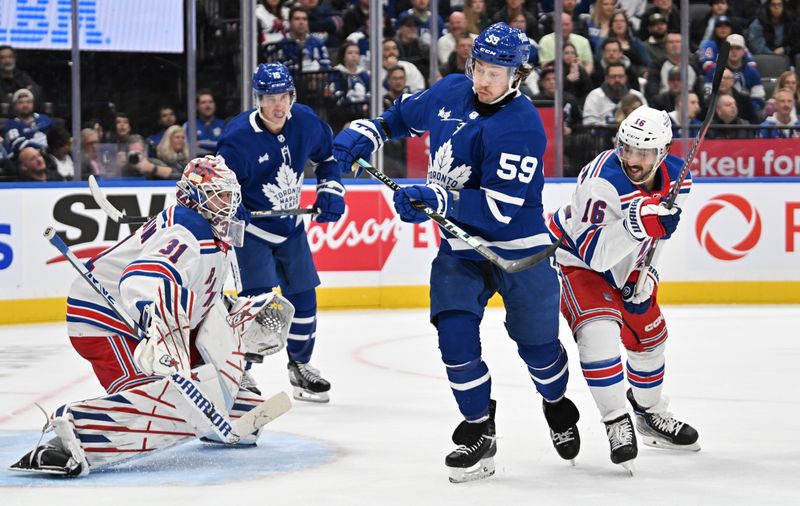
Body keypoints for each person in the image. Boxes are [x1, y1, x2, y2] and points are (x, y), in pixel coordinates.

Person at [332, 22, 581, 483]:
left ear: (517, 76)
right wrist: (366, 132)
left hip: (518, 254)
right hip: (460, 249)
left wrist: (435, 198)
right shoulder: (450, 92)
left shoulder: (521, 125)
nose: (485, 80)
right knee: (454, 339)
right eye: (480, 68)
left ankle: (556, 402)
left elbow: (500, 211)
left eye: (496, 72)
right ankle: (478, 426)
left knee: (539, 352)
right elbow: (400, 118)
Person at [9, 156, 294, 476]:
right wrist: (155, 322)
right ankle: (70, 437)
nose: (228, 201)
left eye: (229, 194)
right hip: (106, 320)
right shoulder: (185, 232)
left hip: (157, 314)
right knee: (162, 402)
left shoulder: (212, 229)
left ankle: (225, 404)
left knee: (202, 363)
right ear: (196, 196)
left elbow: (198, 290)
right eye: (219, 194)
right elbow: (142, 278)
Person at [547, 105, 700, 471]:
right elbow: (595, 254)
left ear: (662, 153)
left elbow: (659, 235)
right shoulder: (602, 180)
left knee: (651, 341)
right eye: (627, 148)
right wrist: (639, 221)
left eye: (644, 152)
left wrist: (648, 272)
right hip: (579, 262)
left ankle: (650, 415)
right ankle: (616, 419)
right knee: (598, 337)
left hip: (630, 265)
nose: (632, 159)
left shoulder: (679, 178)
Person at [216, 63, 344, 404]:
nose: (277, 105)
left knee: (304, 298)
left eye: (283, 96)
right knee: (256, 306)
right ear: (258, 99)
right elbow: (221, 185)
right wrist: (232, 203)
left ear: (292, 96)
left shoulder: (305, 121)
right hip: (254, 232)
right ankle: (240, 370)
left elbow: (328, 159)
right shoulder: (237, 138)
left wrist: (331, 189)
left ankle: (300, 366)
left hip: (290, 228)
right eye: (269, 97)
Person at [3, 88, 52, 153]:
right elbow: (17, 143)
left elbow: (56, 135)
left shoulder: (44, 118)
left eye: (28, 102)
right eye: (21, 102)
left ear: (33, 104)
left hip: (51, 154)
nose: (25, 105)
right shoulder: (11, 124)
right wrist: (41, 149)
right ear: (15, 106)